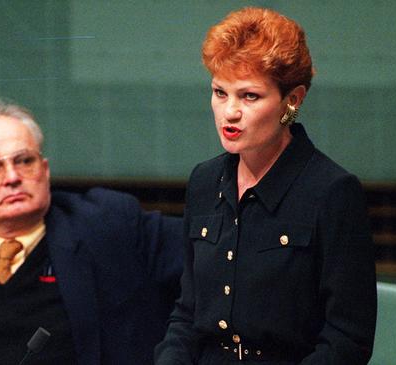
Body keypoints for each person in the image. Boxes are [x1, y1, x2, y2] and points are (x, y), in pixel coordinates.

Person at [0, 95, 183, 365]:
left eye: (24, 161)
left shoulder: (109, 227)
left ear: (45, 170)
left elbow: (214, 251)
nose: (12, 177)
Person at [155, 7, 377, 364]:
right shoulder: (204, 181)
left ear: (293, 100)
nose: (229, 112)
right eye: (219, 92)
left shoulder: (333, 192)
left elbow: (347, 339)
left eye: (249, 96)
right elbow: (187, 315)